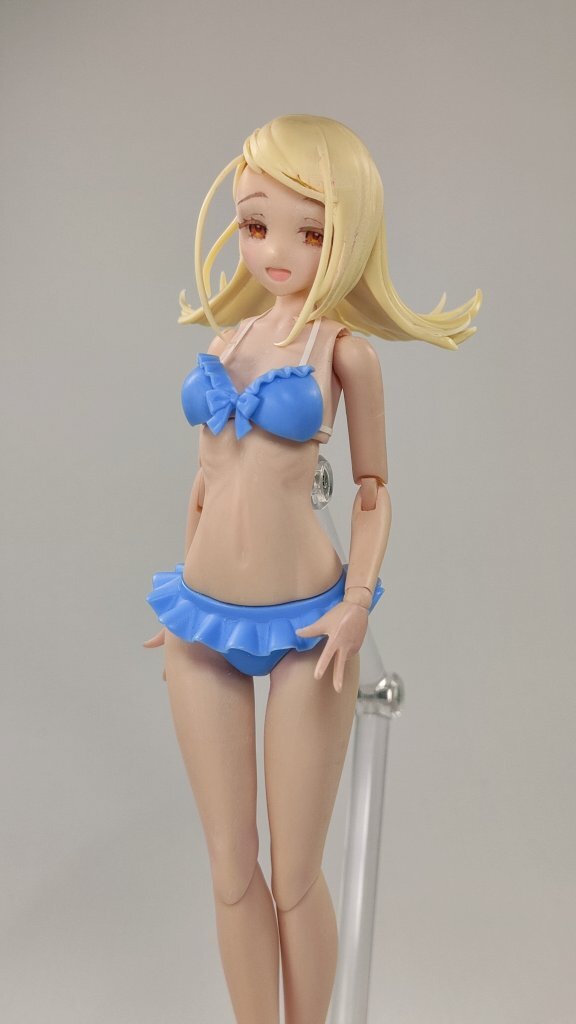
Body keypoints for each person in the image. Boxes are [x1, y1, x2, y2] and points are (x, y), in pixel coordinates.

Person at [144, 114, 481, 1024]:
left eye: (312, 231)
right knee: (231, 869)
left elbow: (372, 491)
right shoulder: (227, 340)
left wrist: (358, 602)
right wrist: (181, 590)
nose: (277, 251)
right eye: (257, 224)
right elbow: (207, 480)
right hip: (201, 621)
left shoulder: (345, 354)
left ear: (349, 236)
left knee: (295, 876)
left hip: (308, 627)